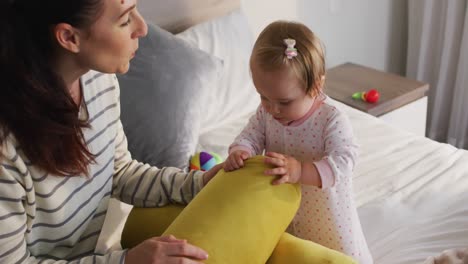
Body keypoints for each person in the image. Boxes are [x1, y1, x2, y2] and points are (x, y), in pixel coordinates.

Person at [0, 0, 223, 263]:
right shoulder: (7, 150)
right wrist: (126, 261)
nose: (142, 28)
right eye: (126, 19)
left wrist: (198, 184)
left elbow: (118, 172)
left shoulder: (97, 79)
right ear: (69, 37)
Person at [224, 21, 373, 264]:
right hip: (285, 210)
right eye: (263, 97)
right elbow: (249, 136)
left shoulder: (330, 119)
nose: (272, 109)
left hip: (327, 218)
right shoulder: (267, 113)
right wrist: (241, 151)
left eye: (284, 102)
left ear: (315, 86)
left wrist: (300, 171)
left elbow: (345, 162)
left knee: (335, 258)